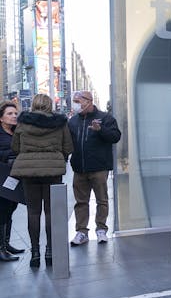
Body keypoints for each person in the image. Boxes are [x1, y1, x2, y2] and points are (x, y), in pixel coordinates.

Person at [10, 94, 73, 268]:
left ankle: (35, 252)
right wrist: (57, 157)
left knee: (33, 212)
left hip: (28, 172)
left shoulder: (23, 123)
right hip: (53, 171)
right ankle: (50, 251)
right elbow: (68, 147)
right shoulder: (60, 123)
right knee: (51, 212)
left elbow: (15, 147)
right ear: (49, 105)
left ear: (33, 104)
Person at [68, 91, 121, 246]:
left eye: (77, 101)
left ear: (88, 101)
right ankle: (81, 232)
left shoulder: (106, 118)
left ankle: (101, 229)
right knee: (81, 202)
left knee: (102, 200)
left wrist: (101, 130)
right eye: (74, 101)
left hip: (99, 168)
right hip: (79, 168)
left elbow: (116, 137)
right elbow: (68, 142)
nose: (75, 104)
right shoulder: (72, 121)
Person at [0, 101, 22, 261]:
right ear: (1, 118)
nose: (14, 116)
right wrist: (10, 155)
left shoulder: (17, 133)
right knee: (2, 211)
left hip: (14, 177)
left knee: (10, 209)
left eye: (15, 113)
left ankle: (6, 244)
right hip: (2, 177)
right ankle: (1, 249)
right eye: (9, 113)